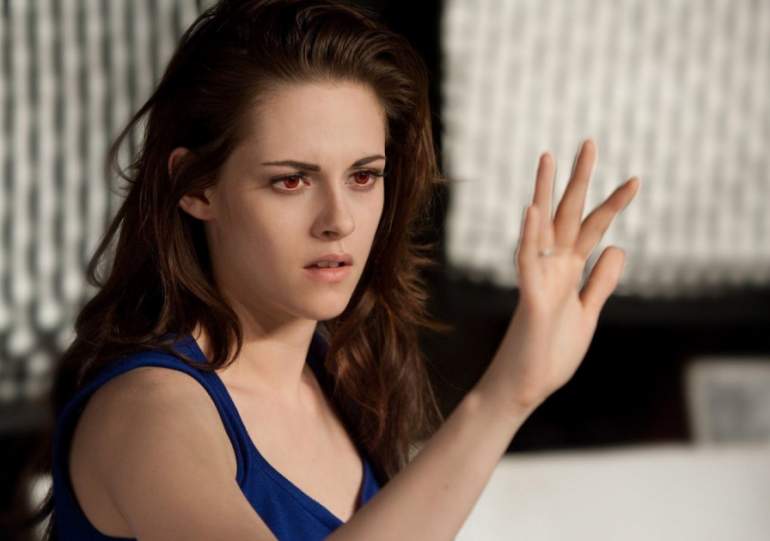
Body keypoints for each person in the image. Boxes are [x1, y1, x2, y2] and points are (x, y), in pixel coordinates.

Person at [15, 0, 640, 539]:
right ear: (196, 186)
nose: (338, 219)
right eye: (291, 181)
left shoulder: (339, 378)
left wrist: (517, 390)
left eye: (363, 176)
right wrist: (505, 395)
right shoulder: (149, 413)